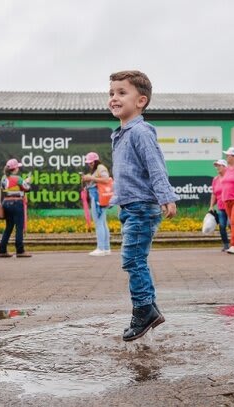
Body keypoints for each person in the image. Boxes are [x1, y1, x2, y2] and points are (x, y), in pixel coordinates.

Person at [108, 70, 178, 342]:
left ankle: (143, 311)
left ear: (141, 101)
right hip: (130, 207)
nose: (114, 98)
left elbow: (155, 166)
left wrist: (166, 196)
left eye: (121, 93)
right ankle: (150, 307)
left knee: (133, 260)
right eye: (111, 93)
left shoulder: (141, 131)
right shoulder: (121, 133)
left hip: (141, 206)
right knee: (136, 259)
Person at [0, 158, 32, 258]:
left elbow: (7, 188)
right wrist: (27, 181)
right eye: (18, 167)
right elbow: (27, 188)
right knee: (19, 227)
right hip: (17, 203)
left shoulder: (4, 178)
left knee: (8, 227)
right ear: (15, 169)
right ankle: (20, 250)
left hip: (6, 203)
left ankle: (2, 250)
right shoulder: (18, 178)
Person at [81, 152, 111, 256]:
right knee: (103, 223)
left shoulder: (101, 167)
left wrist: (91, 178)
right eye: (88, 163)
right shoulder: (97, 169)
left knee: (99, 223)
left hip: (98, 197)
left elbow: (106, 179)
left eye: (91, 162)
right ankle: (106, 248)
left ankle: (101, 248)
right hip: (99, 197)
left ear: (95, 161)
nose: (89, 164)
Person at [209, 159, 230, 251]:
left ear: (225, 167)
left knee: (232, 225)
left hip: (231, 206)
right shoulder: (215, 179)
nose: (217, 167)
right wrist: (211, 206)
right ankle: (226, 245)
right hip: (221, 207)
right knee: (222, 226)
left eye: (219, 165)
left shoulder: (230, 178)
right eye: (216, 166)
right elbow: (214, 194)